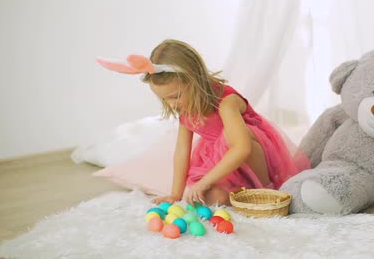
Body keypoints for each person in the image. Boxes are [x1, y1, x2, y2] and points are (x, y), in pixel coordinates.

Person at [98, 39, 309, 206]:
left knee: (232, 136)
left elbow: (241, 148)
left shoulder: (226, 102)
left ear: (195, 80)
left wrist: (206, 180)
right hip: (223, 166)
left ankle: (262, 191)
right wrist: (175, 194)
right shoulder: (186, 109)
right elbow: (182, 150)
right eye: (165, 99)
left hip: (252, 156)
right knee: (209, 198)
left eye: (176, 96)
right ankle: (234, 194)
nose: (172, 104)